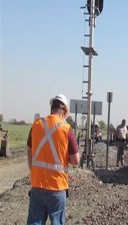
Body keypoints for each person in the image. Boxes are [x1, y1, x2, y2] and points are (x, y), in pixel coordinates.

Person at [26, 94, 80, 225]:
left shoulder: (36, 124)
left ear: (52, 108)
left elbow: (29, 152)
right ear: (64, 111)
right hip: (57, 187)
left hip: (37, 185)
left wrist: (34, 173)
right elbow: (75, 161)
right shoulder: (66, 128)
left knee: (34, 222)